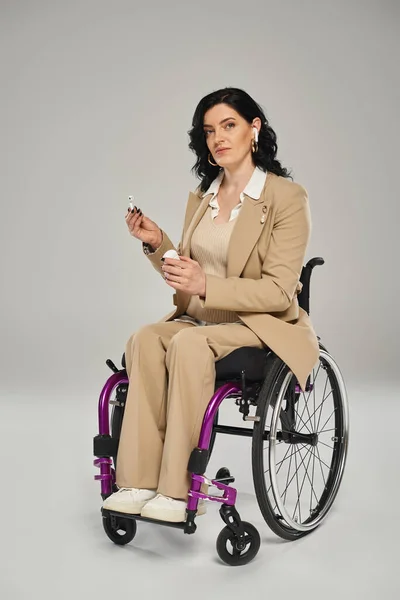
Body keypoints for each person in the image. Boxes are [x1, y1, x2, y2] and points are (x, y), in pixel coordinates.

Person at [103, 87, 319, 523]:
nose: (218, 138)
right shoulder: (204, 198)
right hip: (201, 321)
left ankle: (176, 490)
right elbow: (189, 280)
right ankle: (138, 481)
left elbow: (279, 291)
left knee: (187, 347)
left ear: (254, 128)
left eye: (229, 125)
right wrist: (156, 243)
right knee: (144, 339)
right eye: (209, 131)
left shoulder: (286, 198)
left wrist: (208, 285)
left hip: (259, 326)